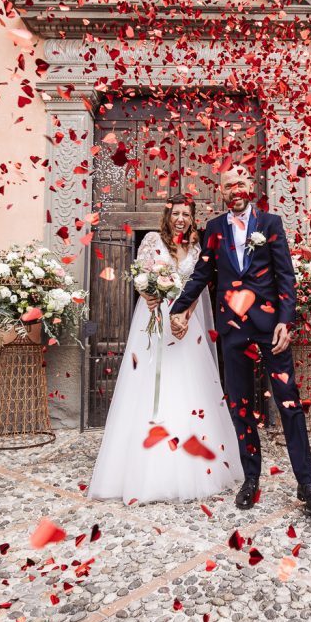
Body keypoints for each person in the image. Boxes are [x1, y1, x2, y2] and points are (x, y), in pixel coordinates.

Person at [170, 166, 311, 513]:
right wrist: (177, 309)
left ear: (251, 185)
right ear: (222, 191)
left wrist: (285, 321)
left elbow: (285, 275)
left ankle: (307, 484)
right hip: (232, 329)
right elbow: (202, 274)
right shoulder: (214, 229)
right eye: (229, 185)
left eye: (240, 183)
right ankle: (251, 479)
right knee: (240, 407)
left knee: (288, 404)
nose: (235, 189)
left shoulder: (270, 224)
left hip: (270, 328)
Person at [88, 195, 244, 503]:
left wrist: (184, 316)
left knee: (188, 386)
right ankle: (144, 466)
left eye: (186, 214)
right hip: (155, 318)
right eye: (176, 213)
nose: (181, 219)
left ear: (192, 218)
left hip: (185, 323)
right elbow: (141, 277)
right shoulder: (151, 240)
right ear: (167, 215)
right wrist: (149, 295)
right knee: (149, 385)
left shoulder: (196, 249)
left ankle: (192, 465)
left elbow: (198, 287)